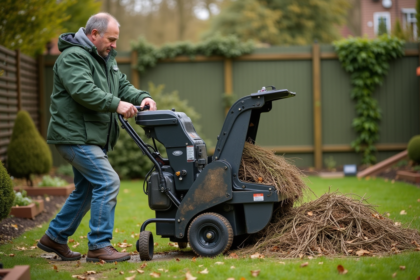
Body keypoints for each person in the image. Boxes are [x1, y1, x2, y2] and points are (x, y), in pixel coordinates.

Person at [37, 13, 156, 263]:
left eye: (115, 40)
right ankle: (99, 245)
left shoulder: (105, 59)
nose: (114, 45)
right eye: (111, 39)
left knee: (88, 189)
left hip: (88, 137)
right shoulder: (73, 58)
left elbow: (122, 86)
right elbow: (83, 91)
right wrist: (117, 105)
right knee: (107, 181)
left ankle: (55, 237)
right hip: (74, 136)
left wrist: (141, 97)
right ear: (94, 35)